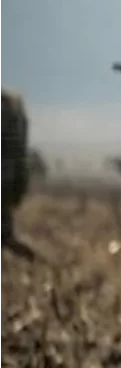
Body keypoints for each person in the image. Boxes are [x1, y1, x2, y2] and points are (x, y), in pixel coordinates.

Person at [0, 86, 36, 260]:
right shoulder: (14, 103)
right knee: (5, 234)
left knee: (5, 235)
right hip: (11, 180)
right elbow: (21, 149)